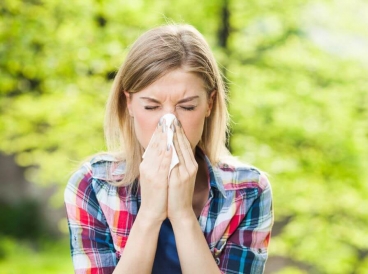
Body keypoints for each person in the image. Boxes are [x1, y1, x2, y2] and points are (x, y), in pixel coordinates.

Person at [64, 24, 273, 274]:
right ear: (128, 103)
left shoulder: (248, 191)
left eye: (186, 107)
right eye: (151, 107)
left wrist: (183, 215)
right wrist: (150, 214)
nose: (169, 123)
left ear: (209, 104)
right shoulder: (93, 185)